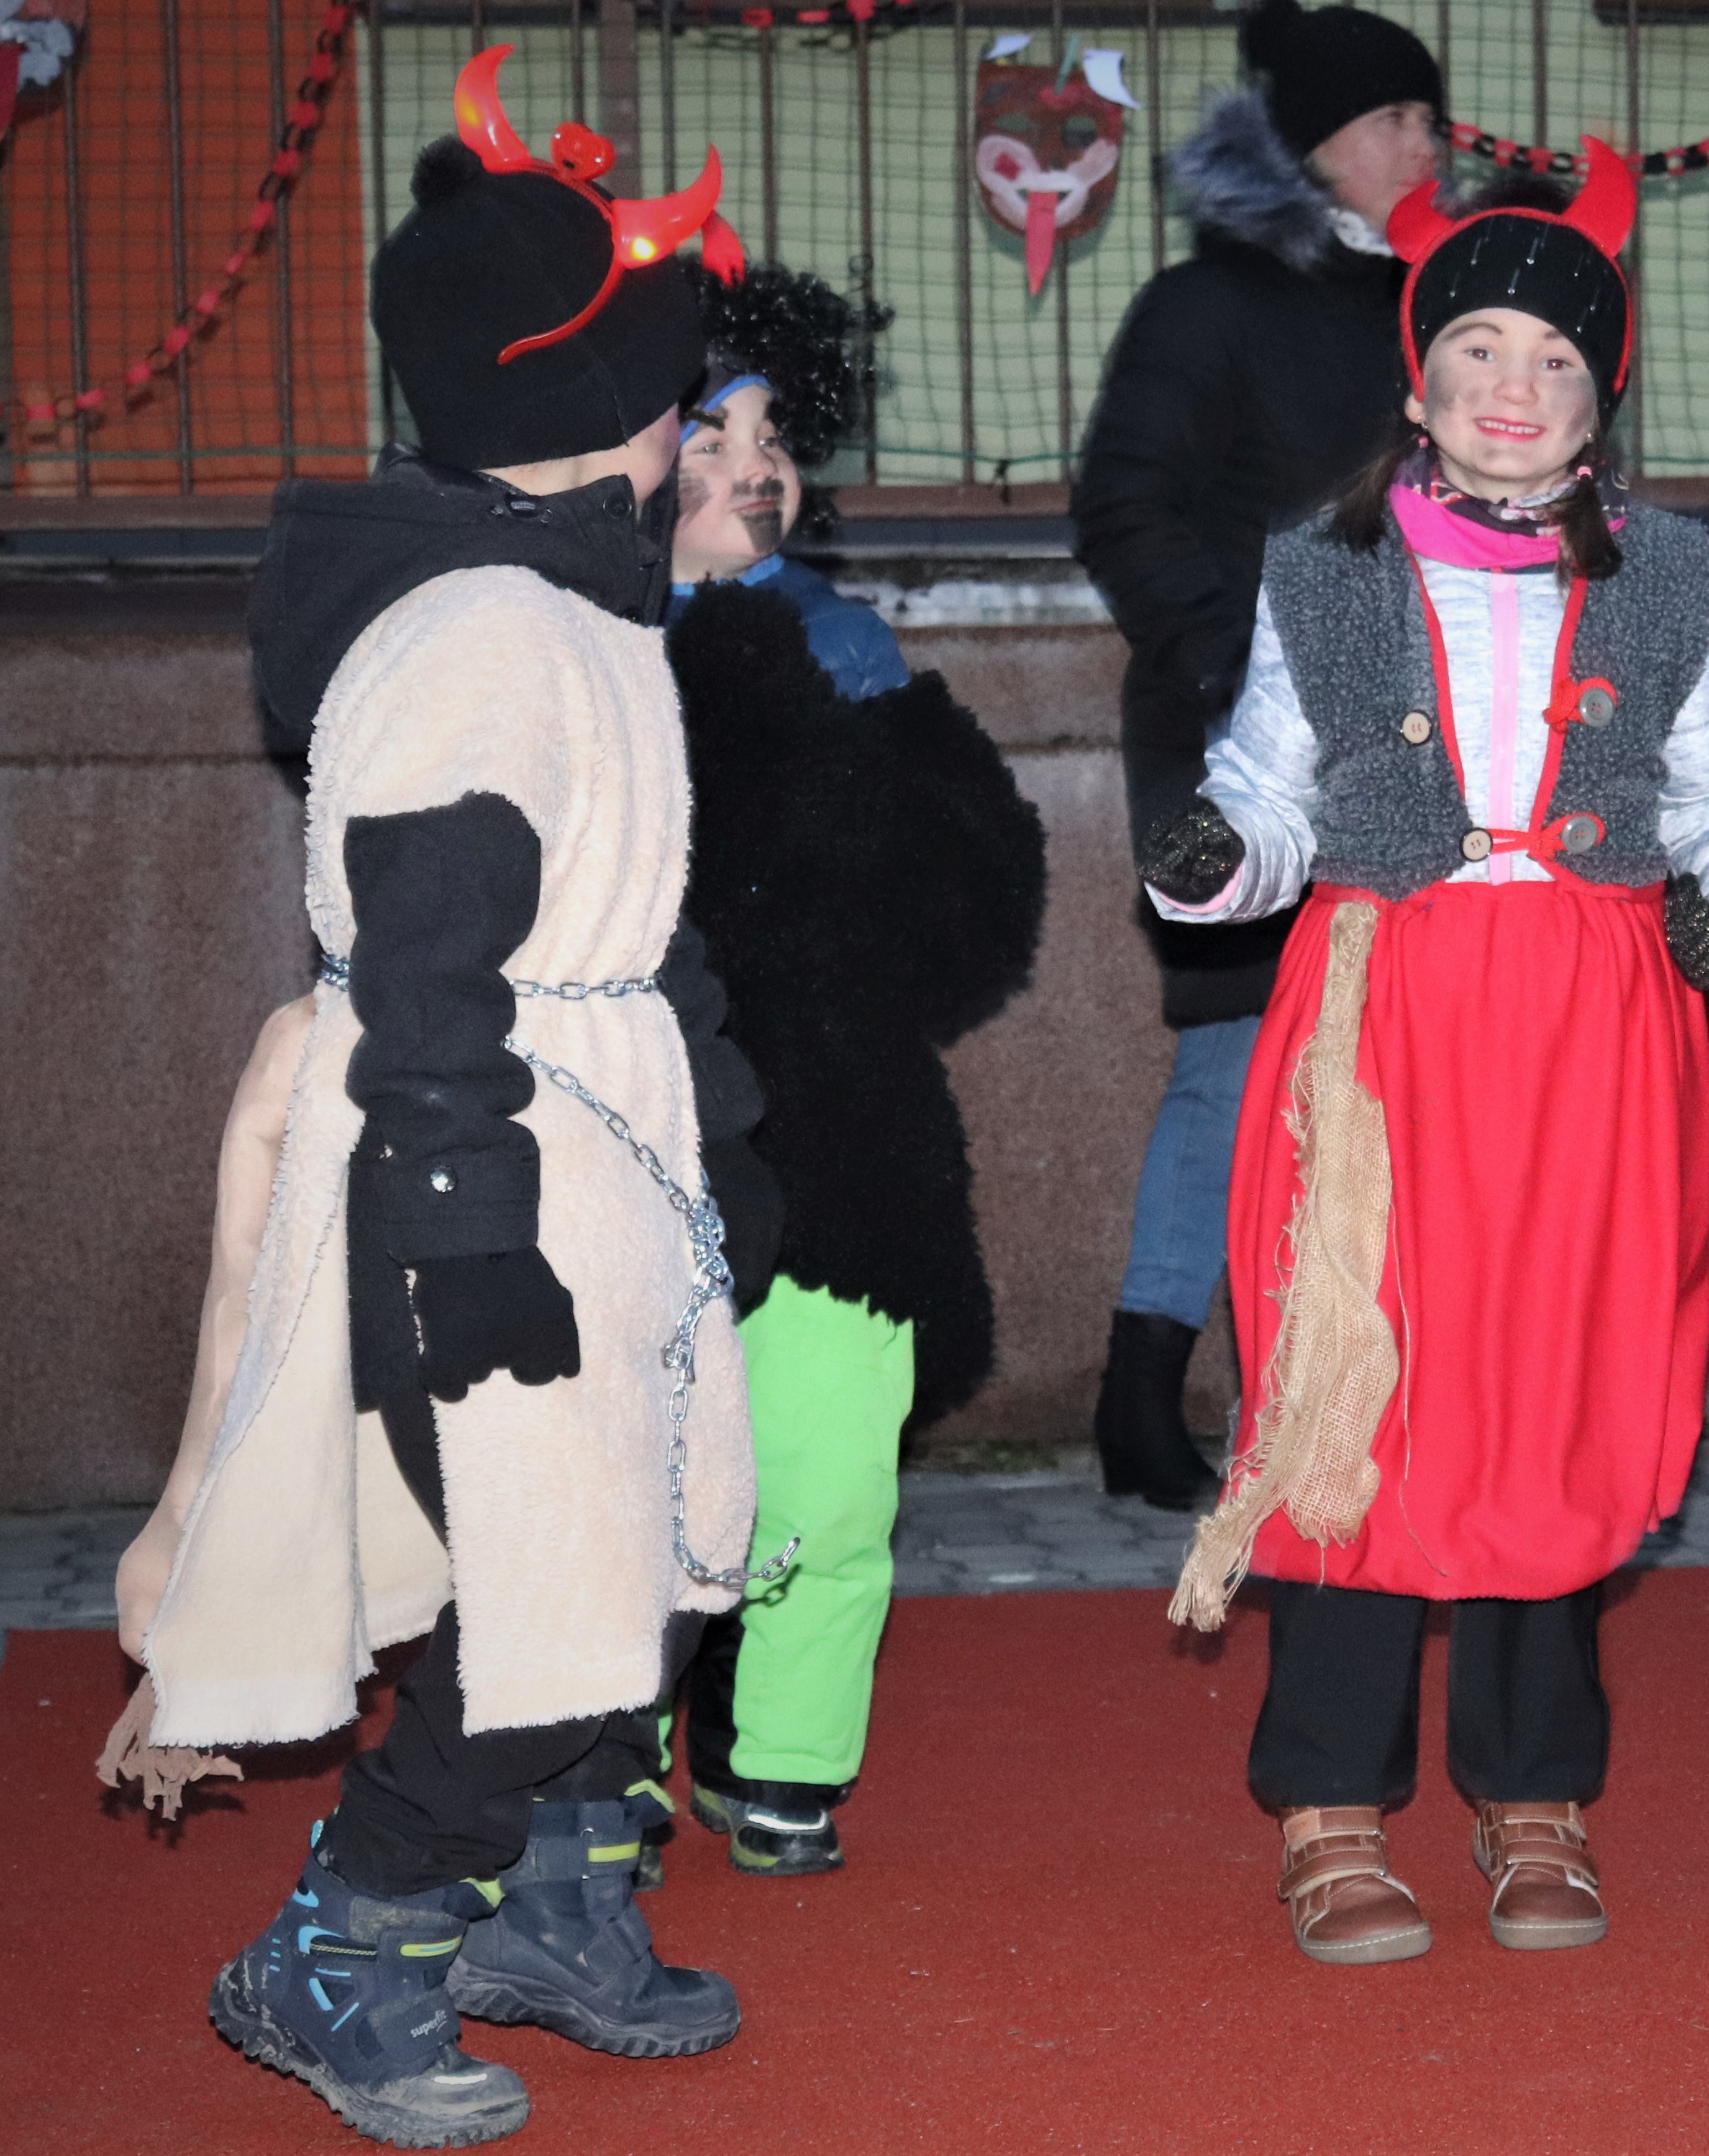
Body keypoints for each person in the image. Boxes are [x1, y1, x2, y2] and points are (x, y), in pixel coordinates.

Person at [115, 57, 777, 2146]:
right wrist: (464, 1223)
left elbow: (630, 929)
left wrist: (722, 1149)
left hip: (594, 1139)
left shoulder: (573, 608)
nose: (689, 426)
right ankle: (347, 1941)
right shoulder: (484, 632)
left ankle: (553, 1907)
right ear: (604, 405)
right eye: (673, 391)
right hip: (488, 1151)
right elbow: (427, 956)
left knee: (642, 1554)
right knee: (547, 1584)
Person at [1142, 147, 1709, 1965]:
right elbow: (1265, 790)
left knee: (1550, 1386)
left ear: (1600, 398)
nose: (1512, 391)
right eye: (1478, 351)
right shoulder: (1323, 571)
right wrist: (1219, 856)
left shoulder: (1668, 575)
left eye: (1555, 361)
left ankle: (1534, 1793)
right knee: (1355, 1383)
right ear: (1419, 376)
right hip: (1385, 1019)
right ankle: (1329, 1802)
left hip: (1594, 1025)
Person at [657, 263, 1052, 1878]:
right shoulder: (561, 642)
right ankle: (603, 1772)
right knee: (633, 1478)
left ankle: (786, 1765)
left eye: (772, 432)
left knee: (824, 1470)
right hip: (636, 1126)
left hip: (835, 1137)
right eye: (710, 435)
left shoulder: (847, 645)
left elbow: (966, 912)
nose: (756, 466)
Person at [1070, 0, 1442, 1509]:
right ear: (1315, 144)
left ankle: (1352, 1376)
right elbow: (1124, 504)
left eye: (1429, 118)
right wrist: (1245, 671)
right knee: (1235, 1059)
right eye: (1397, 118)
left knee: (1393, 1068)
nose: (1428, 143)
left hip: (1417, 753)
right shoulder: (1206, 307)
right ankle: (1143, 1387)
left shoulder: (1434, 308)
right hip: (1236, 743)